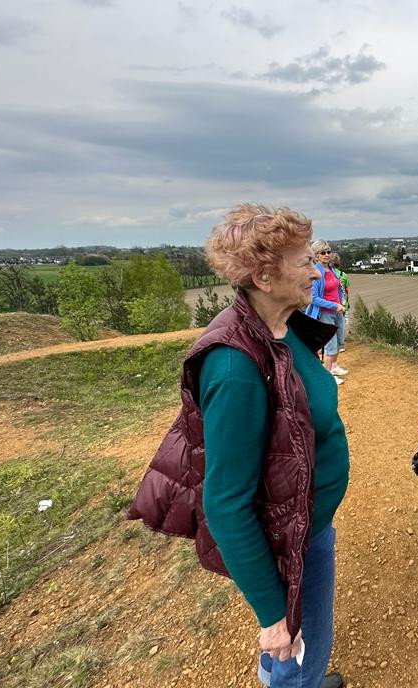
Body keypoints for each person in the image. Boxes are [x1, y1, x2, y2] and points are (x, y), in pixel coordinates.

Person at [129, 204, 349, 688]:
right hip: (293, 539)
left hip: (308, 523)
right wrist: (272, 614)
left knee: (302, 647)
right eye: (303, 261)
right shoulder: (235, 368)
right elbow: (226, 503)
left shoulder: (279, 329)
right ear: (264, 277)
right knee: (297, 651)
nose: (315, 270)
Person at [307, 240, 348, 384]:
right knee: (330, 344)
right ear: (316, 256)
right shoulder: (316, 273)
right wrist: (334, 305)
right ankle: (327, 376)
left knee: (339, 339)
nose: (326, 255)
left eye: (328, 252)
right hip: (325, 313)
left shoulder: (331, 268)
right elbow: (313, 298)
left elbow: (338, 287)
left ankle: (334, 366)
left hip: (337, 310)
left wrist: (342, 300)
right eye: (322, 252)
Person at [330, 252, 350, 354]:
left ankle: (333, 344)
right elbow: (347, 290)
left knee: (332, 323)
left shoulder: (330, 274)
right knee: (342, 324)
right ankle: (341, 344)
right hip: (343, 303)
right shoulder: (343, 275)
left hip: (333, 302)